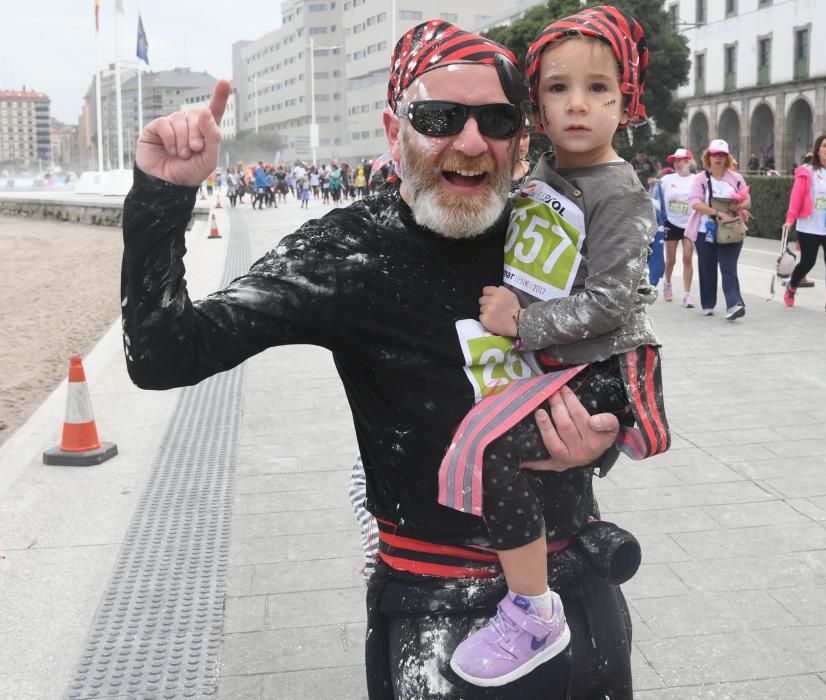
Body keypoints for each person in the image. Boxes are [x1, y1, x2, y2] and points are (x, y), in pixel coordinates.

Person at [122, 19, 634, 700]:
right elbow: (164, 354)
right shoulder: (349, 253)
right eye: (440, 117)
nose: (471, 141)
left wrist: (600, 440)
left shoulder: (555, 227)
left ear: (523, 138)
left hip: (584, 603)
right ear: (394, 128)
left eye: (497, 120)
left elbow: (618, 359)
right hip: (437, 620)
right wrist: (162, 198)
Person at [437, 6, 666, 688]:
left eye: (599, 89)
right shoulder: (538, 171)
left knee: (497, 452)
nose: (578, 105)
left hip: (604, 366)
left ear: (627, 102)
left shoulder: (619, 192)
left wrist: (521, 323)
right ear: (535, 102)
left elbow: (613, 302)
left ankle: (533, 611)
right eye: (559, 88)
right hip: (552, 365)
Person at [782, 134, 826, 314]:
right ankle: (792, 285)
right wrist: (790, 219)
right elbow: (796, 197)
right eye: (824, 145)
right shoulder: (807, 171)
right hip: (810, 224)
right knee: (808, 262)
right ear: (817, 150)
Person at [684, 139, 751, 320]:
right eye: (715, 154)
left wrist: (737, 207)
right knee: (707, 267)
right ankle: (708, 303)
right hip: (705, 230)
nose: (718, 158)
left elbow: (747, 200)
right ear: (708, 157)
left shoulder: (736, 178)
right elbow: (695, 203)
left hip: (731, 230)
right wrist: (717, 213)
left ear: (727, 157)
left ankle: (734, 304)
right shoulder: (701, 179)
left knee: (729, 267)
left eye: (722, 155)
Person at [655, 148, 696, 308]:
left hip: (689, 224)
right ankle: (668, 283)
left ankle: (687, 295)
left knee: (687, 258)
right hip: (671, 222)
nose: (677, 163)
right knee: (671, 260)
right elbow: (656, 195)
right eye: (675, 161)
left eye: (680, 160)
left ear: (688, 161)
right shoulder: (666, 180)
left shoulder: (696, 179)